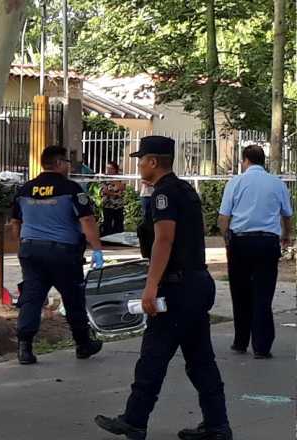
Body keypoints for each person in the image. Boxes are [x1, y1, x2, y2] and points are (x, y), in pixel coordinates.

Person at [96, 135, 231, 440]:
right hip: (196, 284)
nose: (139, 165)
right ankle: (217, 425)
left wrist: (151, 285)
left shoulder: (163, 195)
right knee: (200, 360)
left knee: (153, 356)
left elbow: (164, 240)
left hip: (177, 288)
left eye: (141, 159)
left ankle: (134, 420)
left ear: (153, 162)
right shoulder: (184, 189)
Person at [10, 146, 105, 365]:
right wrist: (97, 248)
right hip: (63, 254)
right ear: (60, 163)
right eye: (68, 163)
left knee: (31, 298)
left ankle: (24, 348)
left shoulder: (25, 189)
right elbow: (87, 220)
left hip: (31, 251)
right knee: (73, 298)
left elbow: (15, 223)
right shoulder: (71, 189)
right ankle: (83, 344)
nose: (69, 167)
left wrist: (23, 246)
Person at [217, 145, 293, 359]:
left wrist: (227, 240)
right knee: (263, 293)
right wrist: (287, 236)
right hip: (268, 243)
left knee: (240, 293)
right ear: (262, 161)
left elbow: (224, 217)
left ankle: (240, 341)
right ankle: (262, 346)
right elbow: (287, 215)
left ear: (245, 160)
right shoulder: (277, 183)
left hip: (240, 242)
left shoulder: (236, 182)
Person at [101, 161, 127, 236]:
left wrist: (114, 180)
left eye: (110, 168)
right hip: (107, 204)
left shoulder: (120, 177)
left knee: (119, 222)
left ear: (115, 169)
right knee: (107, 222)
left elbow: (122, 188)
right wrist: (115, 194)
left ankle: (118, 239)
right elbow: (105, 191)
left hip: (118, 204)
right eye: (107, 168)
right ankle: (107, 238)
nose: (108, 170)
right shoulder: (104, 178)